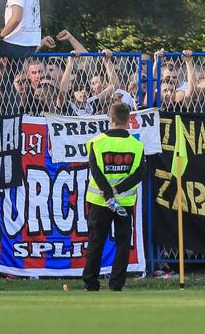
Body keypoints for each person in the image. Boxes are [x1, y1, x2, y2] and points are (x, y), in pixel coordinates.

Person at [82, 102, 144, 292]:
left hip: (99, 201)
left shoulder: (97, 141)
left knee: (96, 241)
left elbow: (95, 170)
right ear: (129, 120)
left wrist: (108, 192)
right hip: (123, 202)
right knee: (123, 243)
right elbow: (140, 173)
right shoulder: (136, 145)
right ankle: (117, 284)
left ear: (111, 119)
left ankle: (91, 284)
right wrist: (117, 191)